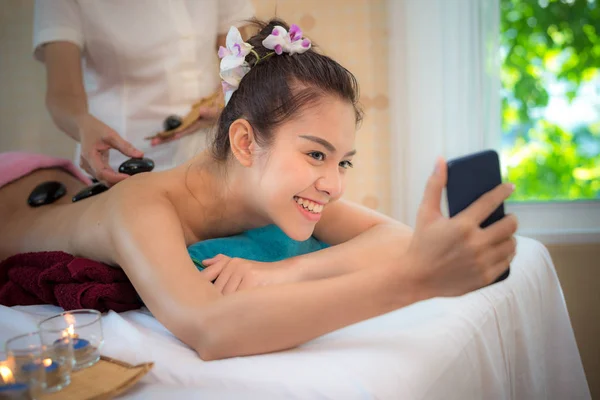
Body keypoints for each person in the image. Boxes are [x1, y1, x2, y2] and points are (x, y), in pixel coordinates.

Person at [0, 19, 518, 361]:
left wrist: (283, 272)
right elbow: (210, 329)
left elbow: (393, 238)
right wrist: (415, 281)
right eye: (316, 154)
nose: (334, 185)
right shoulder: (144, 205)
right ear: (245, 141)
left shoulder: (272, 191)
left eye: (343, 162)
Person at [33, 0, 255, 185]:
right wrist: (81, 123)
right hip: (123, 166)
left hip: (214, 153)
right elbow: (62, 93)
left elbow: (238, 57)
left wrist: (227, 97)